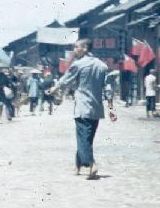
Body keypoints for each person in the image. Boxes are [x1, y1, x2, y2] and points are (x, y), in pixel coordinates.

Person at [47, 39, 112, 179]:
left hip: (83, 107)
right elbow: (107, 88)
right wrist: (111, 107)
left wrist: (54, 88)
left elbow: (66, 79)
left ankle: (91, 164)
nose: (74, 50)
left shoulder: (78, 64)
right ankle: (77, 165)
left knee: (83, 139)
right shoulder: (102, 65)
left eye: (76, 47)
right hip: (96, 109)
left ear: (85, 48)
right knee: (86, 139)